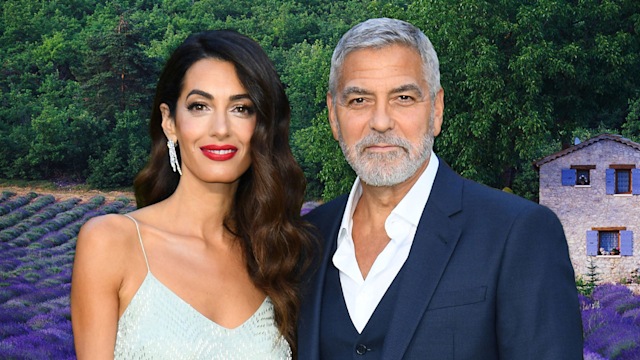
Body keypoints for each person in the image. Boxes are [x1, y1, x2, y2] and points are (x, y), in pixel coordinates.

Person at [297, 18, 583, 359]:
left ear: (436, 109)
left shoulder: (518, 233)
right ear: (333, 115)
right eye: (359, 100)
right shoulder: (307, 239)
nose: (381, 121)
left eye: (403, 97)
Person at [71, 30, 313, 359]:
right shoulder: (111, 242)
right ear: (169, 122)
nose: (220, 128)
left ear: (262, 126)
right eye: (199, 106)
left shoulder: (280, 254)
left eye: (241, 108)